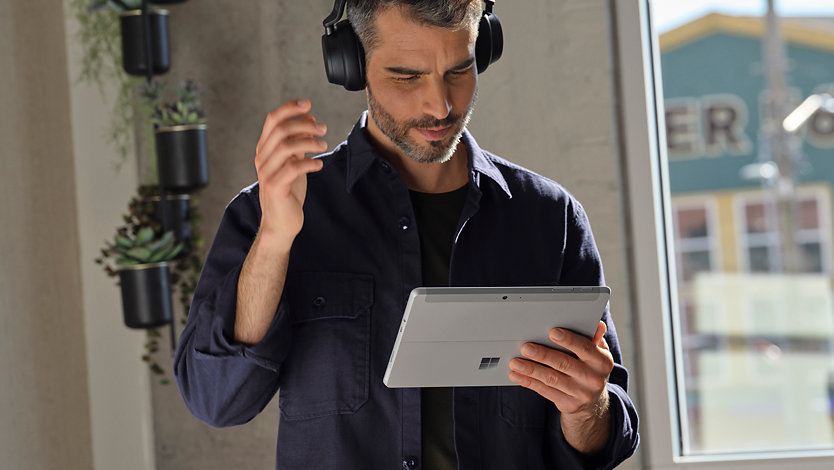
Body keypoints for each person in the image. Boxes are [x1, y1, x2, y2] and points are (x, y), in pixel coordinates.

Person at [174, 0, 639, 469]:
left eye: (460, 69)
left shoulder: (549, 218)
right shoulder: (270, 212)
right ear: (351, 64)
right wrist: (275, 239)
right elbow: (216, 399)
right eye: (407, 76)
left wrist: (588, 405)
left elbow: (609, 440)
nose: (441, 105)